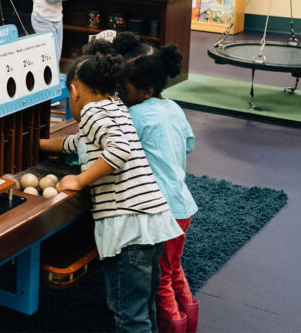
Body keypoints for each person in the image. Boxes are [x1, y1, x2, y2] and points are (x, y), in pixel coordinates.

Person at [40, 48, 182, 333]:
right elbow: (77, 143)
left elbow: (119, 152)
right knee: (143, 308)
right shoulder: (115, 108)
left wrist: (80, 180)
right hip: (152, 225)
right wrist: (39, 144)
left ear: (75, 91)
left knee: (128, 316)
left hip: (128, 230)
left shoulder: (92, 112)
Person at [113, 32, 199, 333]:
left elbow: (116, 153)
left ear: (146, 90)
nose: (120, 94)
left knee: (159, 279)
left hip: (160, 211)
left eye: (123, 89)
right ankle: (189, 322)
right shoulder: (172, 108)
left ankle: (172, 326)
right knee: (174, 270)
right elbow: (188, 144)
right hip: (183, 205)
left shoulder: (135, 116)